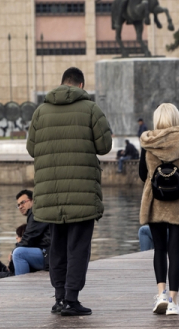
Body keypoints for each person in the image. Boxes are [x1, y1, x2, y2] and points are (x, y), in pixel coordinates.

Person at [26, 67, 113, 317]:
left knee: (57, 246)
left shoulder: (40, 112)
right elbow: (105, 146)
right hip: (82, 193)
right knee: (78, 247)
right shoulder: (90, 109)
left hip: (50, 192)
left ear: (62, 83)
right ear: (81, 85)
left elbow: (32, 149)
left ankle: (59, 297)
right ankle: (72, 299)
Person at [138, 103, 179, 316]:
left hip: (155, 201)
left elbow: (141, 172)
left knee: (159, 250)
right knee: (175, 252)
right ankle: (173, 302)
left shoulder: (148, 141)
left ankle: (161, 294)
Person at [11, 189, 51, 276]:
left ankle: (22, 286)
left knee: (18, 253)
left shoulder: (36, 213)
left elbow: (28, 238)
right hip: (50, 253)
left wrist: (13, 252)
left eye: (23, 202)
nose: (20, 206)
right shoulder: (38, 212)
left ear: (32, 200)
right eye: (18, 205)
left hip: (50, 254)